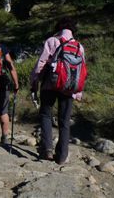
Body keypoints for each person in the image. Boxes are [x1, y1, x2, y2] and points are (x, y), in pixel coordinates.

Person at [30, 17, 84, 164]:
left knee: (46, 115)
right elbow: (82, 71)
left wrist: (34, 81)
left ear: (58, 28)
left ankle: (47, 149)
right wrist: (77, 92)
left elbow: (41, 63)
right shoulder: (79, 46)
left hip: (49, 84)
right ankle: (62, 156)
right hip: (68, 88)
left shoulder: (52, 41)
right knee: (64, 121)